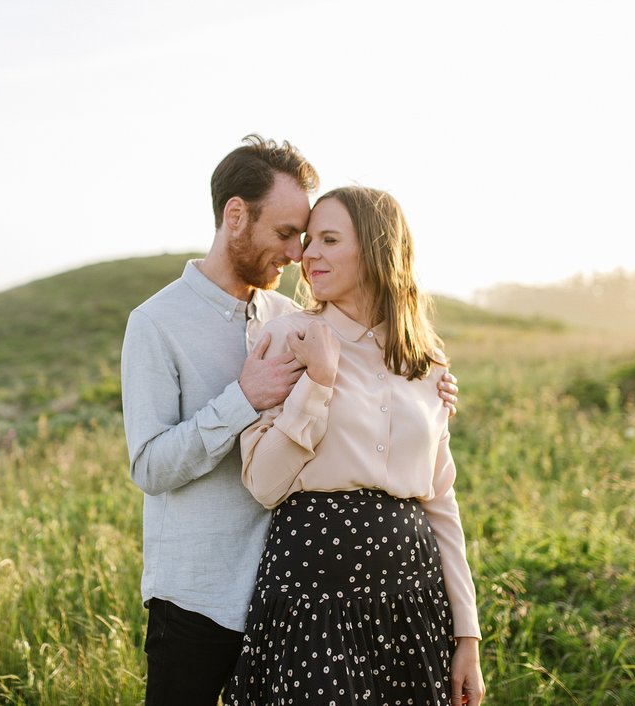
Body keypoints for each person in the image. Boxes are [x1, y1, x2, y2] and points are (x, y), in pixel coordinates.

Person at [120, 137, 460, 706]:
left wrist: (430, 387)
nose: (298, 254)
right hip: (197, 599)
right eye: (285, 235)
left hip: (290, 597)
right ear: (235, 216)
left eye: (305, 238)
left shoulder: (291, 317)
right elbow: (150, 466)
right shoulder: (156, 323)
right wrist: (241, 399)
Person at [225, 186, 485, 705]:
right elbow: (264, 483)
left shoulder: (426, 358)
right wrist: (319, 384)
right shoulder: (289, 336)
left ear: (376, 248)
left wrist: (467, 635)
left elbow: (442, 500)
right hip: (314, 589)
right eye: (307, 239)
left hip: (411, 594)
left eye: (328, 239)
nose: (307, 254)